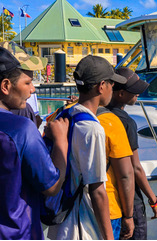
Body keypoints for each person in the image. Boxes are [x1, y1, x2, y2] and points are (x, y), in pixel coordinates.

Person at [47, 55, 127, 240]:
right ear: (101, 86)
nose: (113, 88)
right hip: (81, 222)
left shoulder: (65, 114)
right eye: (111, 84)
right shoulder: (92, 129)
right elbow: (97, 189)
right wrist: (108, 237)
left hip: (61, 218)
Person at [0, 41, 69, 239]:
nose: (32, 90)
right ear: (6, 86)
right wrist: (60, 142)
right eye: (28, 83)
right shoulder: (20, 129)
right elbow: (52, 187)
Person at [107, 67, 157, 240]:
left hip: (112, 199)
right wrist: (153, 199)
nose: (138, 94)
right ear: (120, 94)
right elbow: (135, 167)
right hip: (131, 201)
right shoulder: (126, 122)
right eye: (134, 91)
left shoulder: (100, 115)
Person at [96, 105, 135, 240]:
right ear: (102, 86)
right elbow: (125, 175)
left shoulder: (63, 113)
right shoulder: (110, 121)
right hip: (108, 209)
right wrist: (129, 216)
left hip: (72, 207)